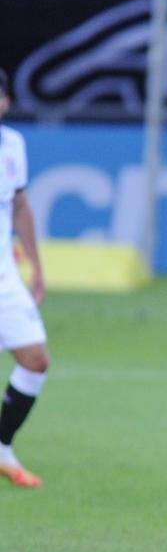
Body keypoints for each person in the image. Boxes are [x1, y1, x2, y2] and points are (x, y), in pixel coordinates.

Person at [0, 68, 49, 489]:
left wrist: (36, 267)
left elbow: (19, 208)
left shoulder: (13, 144)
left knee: (36, 361)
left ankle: (2, 449)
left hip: (4, 279)